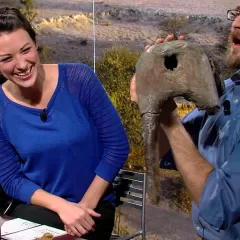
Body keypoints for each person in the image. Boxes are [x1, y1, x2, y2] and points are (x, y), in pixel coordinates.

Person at [0, 7, 130, 240]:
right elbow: (10, 179)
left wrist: (82, 207)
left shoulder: (79, 79)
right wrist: (62, 207)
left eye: (25, 50)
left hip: (93, 208)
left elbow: (117, 146)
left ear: (35, 42)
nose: (21, 64)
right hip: (41, 209)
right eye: (7, 59)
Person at [130, 6, 240, 240]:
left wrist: (170, 121)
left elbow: (221, 207)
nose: (237, 23)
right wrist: (157, 100)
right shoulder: (230, 91)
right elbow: (167, 153)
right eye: (238, 12)